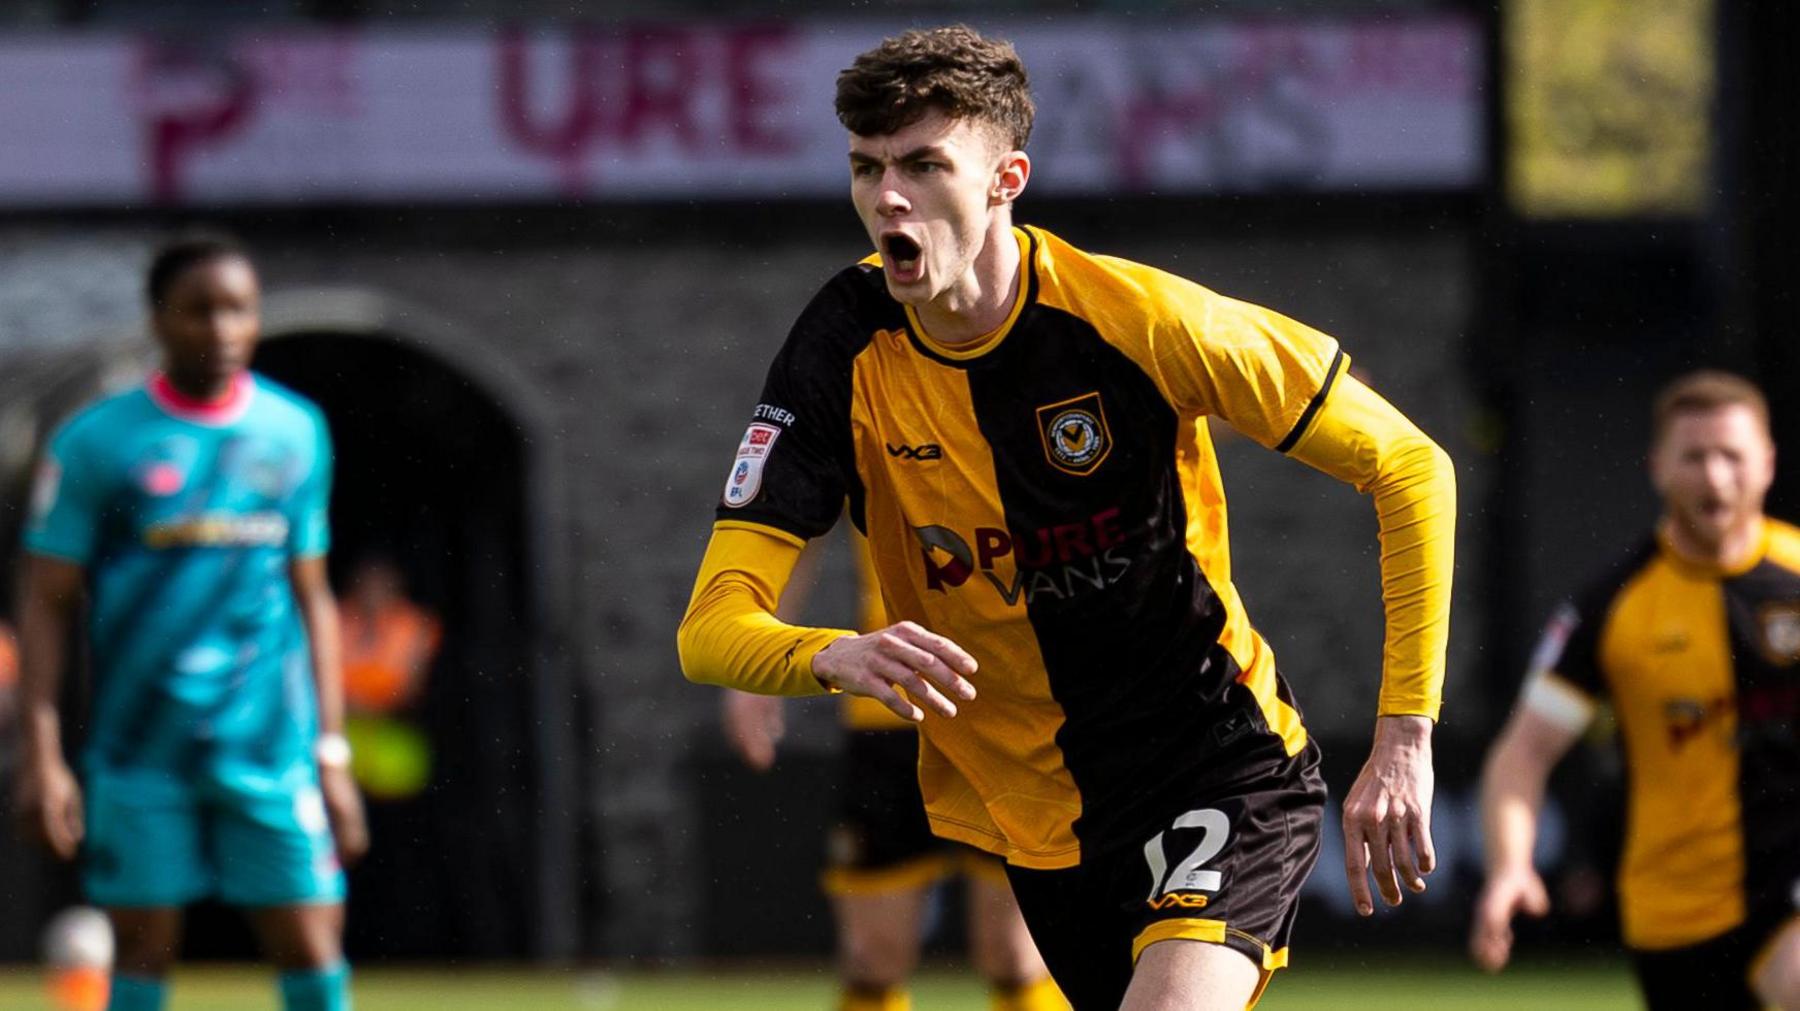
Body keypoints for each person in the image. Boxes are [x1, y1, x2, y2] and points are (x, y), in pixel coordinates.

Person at [679, 25, 1455, 1010]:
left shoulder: (1138, 321)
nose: (889, 198)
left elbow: (1409, 466)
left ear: (1007, 178)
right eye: (867, 168)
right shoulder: (838, 350)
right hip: (1043, 815)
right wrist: (829, 655)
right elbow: (709, 631)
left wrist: (1404, 742)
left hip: (1216, 762)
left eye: (924, 165)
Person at [12, 234, 366, 1011]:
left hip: (269, 747)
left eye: (239, 309)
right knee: (140, 948)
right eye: (199, 310)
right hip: (141, 747)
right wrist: (41, 752)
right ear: (158, 320)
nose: (223, 330)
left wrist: (331, 751)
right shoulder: (97, 441)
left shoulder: (295, 431)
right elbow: (46, 598)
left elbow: (312, 594)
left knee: (311, 943)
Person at [1472, 371, 1800, 1010]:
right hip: (1674, 914)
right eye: (1695, 456)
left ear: (1767, 462)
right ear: (1658, 468)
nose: (1715, 477)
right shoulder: (1611, 607)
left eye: (1732, 455)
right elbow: (1521, 757)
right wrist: (1511, 866)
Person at [721, 532, 1065, 1011]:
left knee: (1015, 956)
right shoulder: (856, 453)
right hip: (888, 712)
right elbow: (796, 532)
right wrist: (759, 661)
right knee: (870, 958)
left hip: (1010, 715)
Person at [338, 555, 439, 800]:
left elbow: (413, 692)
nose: (373, 593)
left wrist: (371, 704)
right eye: (367, 585)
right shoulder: (334, 619)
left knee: (403, 767)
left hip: (390, 735)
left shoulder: (416, 627)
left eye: (382, 586)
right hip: (341, 731)